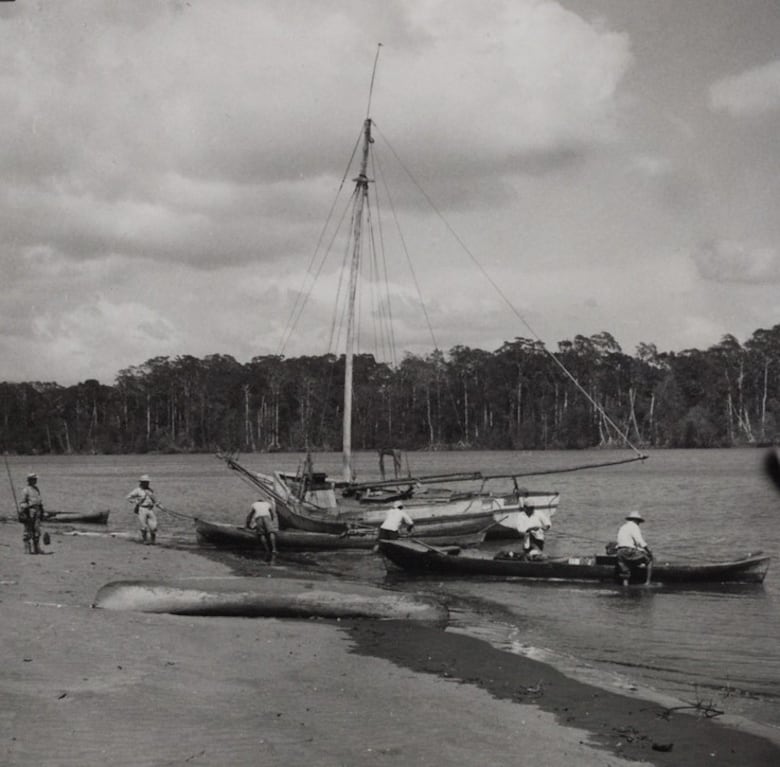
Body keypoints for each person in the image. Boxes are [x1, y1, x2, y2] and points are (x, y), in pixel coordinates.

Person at [615, 510, 652, 585]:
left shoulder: (623, 527)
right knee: (649, 559)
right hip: (629, 551)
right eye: (639, 522)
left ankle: (625, 586)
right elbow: (640, 541)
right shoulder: (634, 527)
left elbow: (622, 542)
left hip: (620, 552)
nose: (639, 524)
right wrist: (648, 551)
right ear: (637, 520)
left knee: (625, 573)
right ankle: (648, 582)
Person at [126, 474, 159, 544]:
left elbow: (154, 499)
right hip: (142, 509)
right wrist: (136, 501)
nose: (147, 483)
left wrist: (157, 503)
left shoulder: (150, 490)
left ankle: (153, 540)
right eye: (145, 482)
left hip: (150, 509)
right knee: (144, 527)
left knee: (154, 527)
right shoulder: (137, 490)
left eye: (148, 482)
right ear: (141, 482)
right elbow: (128, 497)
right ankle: (145, 540)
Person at [246, 498, 278, 563]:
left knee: (261, 534)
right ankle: (274, 549)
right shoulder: (267, 504)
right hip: (267, 517)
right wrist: (271, 521)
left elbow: (250, 515)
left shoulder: (254, 504)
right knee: (271, 532)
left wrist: (248, 525)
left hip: (258, 518)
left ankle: (267, 550)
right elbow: (272, 514)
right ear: (263, 501)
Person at [19, 473, 44, 554]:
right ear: (30, 480)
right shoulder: (25, 490)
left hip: (37, 512)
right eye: (34, 479)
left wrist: (42, 510)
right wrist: (27, 508)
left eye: (36, 479)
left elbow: (39, 501)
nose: (36, 480)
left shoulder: (36, 489)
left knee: (37, 531)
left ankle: (37, 549)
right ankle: (27, 549)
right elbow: (22, 503)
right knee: (28, 531)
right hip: (29, 512)